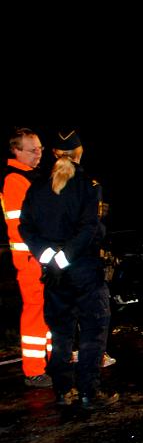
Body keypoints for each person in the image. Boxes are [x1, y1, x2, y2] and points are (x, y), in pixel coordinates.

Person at [19, 129, 118, 409]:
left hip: (53, 274)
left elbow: (25, 227)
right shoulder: (88, 185)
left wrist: (50, 258)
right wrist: (66, 257)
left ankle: (63, 392)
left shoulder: (37, 187)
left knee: (61, 333)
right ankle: (89, 392)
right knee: (92, 330)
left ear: (53, 153)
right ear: (79, 152)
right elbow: (90, 229)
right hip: (84, 269)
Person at [1, 128, 52, 388]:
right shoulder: (15, 180)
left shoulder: (30, 177)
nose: (38, 154)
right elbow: (23, 225)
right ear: (16, 150)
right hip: (32, 260)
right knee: (36, 313)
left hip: (40, 258)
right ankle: (34, 370)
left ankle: (53, 361)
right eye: (32, 150)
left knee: (49, 311)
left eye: (40, 149)